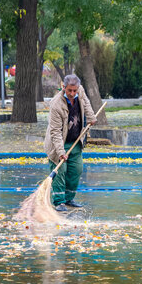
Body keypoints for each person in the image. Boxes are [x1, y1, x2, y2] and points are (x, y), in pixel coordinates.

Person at [44, 74, 97, 211]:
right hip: (58, 143)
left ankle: (68, 199)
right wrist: (61, 152)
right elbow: (55, 132)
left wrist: (91, 117)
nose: (73, 93)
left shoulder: (80, 91)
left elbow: (86, 103)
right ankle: (59, 202)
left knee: (76, 170)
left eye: (75, 90)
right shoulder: (56, 104)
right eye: (70, 91)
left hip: (76, 141)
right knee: (60, 171)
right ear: (63, 88)